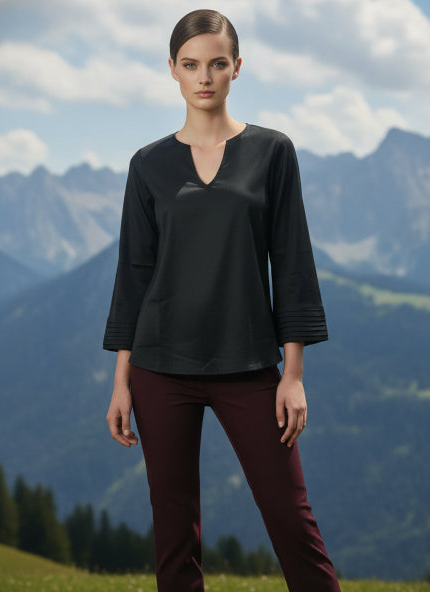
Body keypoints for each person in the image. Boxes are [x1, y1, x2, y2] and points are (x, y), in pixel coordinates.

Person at [103, 8, 341, 592]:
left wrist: (293, 375)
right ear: (172, 69)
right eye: (190, 65)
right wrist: (121, 382)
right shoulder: (147, 164)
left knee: (292, 521)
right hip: (159, 369)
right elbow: (134, 275)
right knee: (174, 538)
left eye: (216, 64)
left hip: (250, 366)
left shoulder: (273, 152)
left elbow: (292, 263)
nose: (204, 77)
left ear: (237, 67)